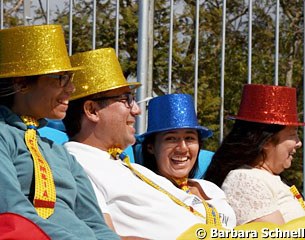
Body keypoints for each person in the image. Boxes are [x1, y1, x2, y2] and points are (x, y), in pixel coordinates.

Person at [63, 48, 226, 239]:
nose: (137, 110)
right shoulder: (79, 165)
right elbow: (102, 235)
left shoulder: (126, 166)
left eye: (189, 138)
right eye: (127, 100)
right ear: (92, 110)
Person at [0, 24, 119, 239]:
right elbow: (12, 213)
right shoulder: (3, 136)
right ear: (21, 83)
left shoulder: (60, 153)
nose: (71, 89)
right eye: (61, 78)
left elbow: (95, 223)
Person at [205, 84, 305, 225]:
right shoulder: (245, 180)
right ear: (266, 141)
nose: (298, 143)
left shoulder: (271, 179)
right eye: (292, 134)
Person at [138, 93, 236, 229]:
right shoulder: (145, 192)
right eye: (171, 138)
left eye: (189, 138)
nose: (182, 148)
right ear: (151, 147)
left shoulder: (211, 188)